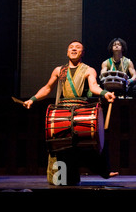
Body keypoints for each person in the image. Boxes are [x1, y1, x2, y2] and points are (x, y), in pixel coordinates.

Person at [23, 40, 117, 185]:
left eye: (77, 48)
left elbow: (93, 86)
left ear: (82, 53)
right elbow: (47, 88)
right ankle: (62, 177)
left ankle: (103, 170)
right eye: (71, 48)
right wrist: (32, 99)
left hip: (81, 111)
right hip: (62, 111)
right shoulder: (59, 70)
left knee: (88, 141)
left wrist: (104, 93)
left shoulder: (88, 70)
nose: (74, 49)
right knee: (60, 145)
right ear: (67, 52)